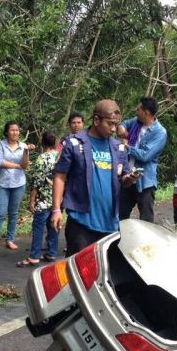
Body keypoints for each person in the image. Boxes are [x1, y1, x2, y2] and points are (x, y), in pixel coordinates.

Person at [50, 100, 139, 256]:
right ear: (96, 120)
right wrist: (56, 209)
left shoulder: (118, 147)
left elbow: (123, 179)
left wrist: (129, 178)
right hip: (81, 224)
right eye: (109, 124)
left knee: (105, 274)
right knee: (78, 273)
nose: (113, 129)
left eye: (116, 125)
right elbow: (60, 176)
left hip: (110, 224)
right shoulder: (74, 143)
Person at [117, 96, 167, 223]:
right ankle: (117, 242)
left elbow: (145, 156)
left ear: (147, 112)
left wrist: (126, 146)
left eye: (138, 109)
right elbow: (123, 124)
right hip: (127, 177)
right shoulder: (136, 122)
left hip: (145, 182)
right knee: (119, 217)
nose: (136, 111)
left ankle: (146, 244)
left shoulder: (160, 133)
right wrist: (121, 128)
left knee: (146, 220)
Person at [0, 121, 30, 252]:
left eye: (17, 130)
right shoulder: (1, 144)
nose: (15, 132)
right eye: (12, 130)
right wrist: (17, 166)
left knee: (13, 214)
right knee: (0, 214)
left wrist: (26, 152)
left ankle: (10, 239)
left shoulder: (24, 146)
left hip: (19, 183)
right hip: (4, 184)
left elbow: (25, 165)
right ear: (7, 132)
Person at [18, 131, 59, 266]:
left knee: (38, 227)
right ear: (55, 143)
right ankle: (52, 252)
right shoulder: (59, 157)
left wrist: (31, 201)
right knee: (53, 226)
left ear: (43, 143)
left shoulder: (42, 158)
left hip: (42, 199)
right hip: (55, 199)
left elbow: (36, 182)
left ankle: (34, 256)